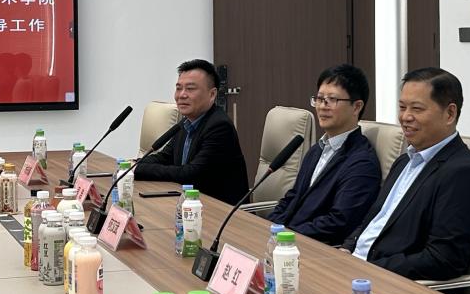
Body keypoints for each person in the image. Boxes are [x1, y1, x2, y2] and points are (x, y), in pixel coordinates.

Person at [340, 67, 470, 280]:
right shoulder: (404, 161)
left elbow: (444, 259)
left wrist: (368, 268)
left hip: (391, 283)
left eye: (417, 109)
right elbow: (373, 221)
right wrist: (346, 249)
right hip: (355, 268)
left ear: (450, 113)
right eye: (402, 107)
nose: (405, 117)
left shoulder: (462, 172)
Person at [268, 64, 381, 246]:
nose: (322, 106)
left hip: (312, 247)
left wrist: (287, 235)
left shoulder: (362, 163)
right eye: (319, 99)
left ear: (356, 106)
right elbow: (293, 197)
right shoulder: (317, 149)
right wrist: (269, 226)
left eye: (332, 100)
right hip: (286, 241)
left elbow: (338, 222)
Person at [136, 59, 249, 205]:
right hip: (190, 204)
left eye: (190, 89)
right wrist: (135, 165)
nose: (182, 95)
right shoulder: (186, 123)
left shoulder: (220, 127)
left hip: (219, 210)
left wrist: (140, 169)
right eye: (178, 88)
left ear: (212, 94)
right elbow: (164, 157)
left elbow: (190, 174)